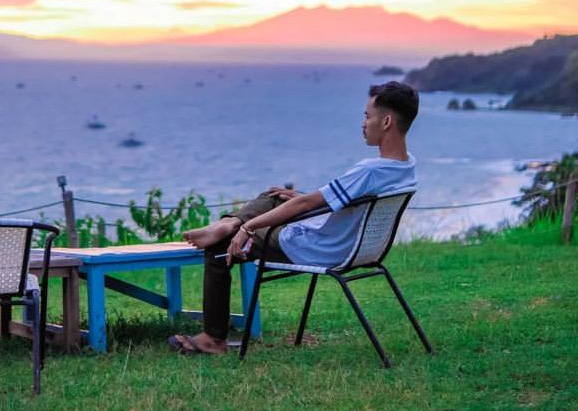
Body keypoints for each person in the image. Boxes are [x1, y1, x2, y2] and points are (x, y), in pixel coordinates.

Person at [168, 80, 419, 355]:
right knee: (277, 195)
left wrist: (251, 226)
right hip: (354, 248)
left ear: (385, 122)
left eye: (367, 116)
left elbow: (310, 203)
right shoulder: (406, 167)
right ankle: (229, 221)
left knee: (219, 247)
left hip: (320, 248)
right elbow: (341, 202)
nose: (363, 123)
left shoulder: (370, 170)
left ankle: (213, 339)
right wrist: (297, 198)